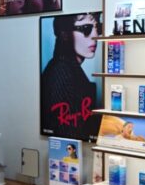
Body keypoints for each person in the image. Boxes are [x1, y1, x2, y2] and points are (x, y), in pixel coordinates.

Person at [41, 12, 102, 140]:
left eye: (98, 28)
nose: (95, 36)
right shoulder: (61, 73)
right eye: (86, 28)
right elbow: (68, 135)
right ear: (65, 34)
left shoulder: (68, 69)